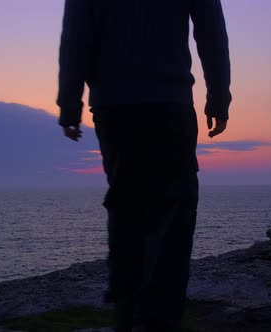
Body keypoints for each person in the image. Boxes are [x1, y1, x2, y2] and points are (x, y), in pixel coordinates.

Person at [57, 1, 231, 331]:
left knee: (126, 208)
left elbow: (75, 37)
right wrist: (218, 98)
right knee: (174, 216)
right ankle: (158, 319)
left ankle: (126, 314)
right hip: (169, 104)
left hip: (114, 107)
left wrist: (69, 105)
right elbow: (211, 32)